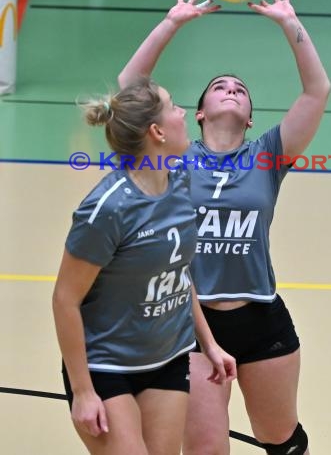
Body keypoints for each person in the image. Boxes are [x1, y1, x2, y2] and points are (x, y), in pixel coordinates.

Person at [117, 0, 331, 455]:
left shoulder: (270, 154)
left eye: (240, 89)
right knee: (206, 448)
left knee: (280, 439)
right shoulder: (172, 157)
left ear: (251, 119)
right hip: (189, 323)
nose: (231, 89)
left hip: (260, 316)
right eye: (220, 86)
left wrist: (289, 23)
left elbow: (318, 91)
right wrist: (172, 22)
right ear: (197, 114)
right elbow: (130, 85)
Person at [52, 77, 237, 455]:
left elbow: (178, 274)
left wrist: (210, 343)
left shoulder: (181, 182)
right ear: (156, 131)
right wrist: (83, 391)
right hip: (105, 365)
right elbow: (64, 300)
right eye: (173, 107)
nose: (183, 113)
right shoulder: (108, 209)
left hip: (167, 357)